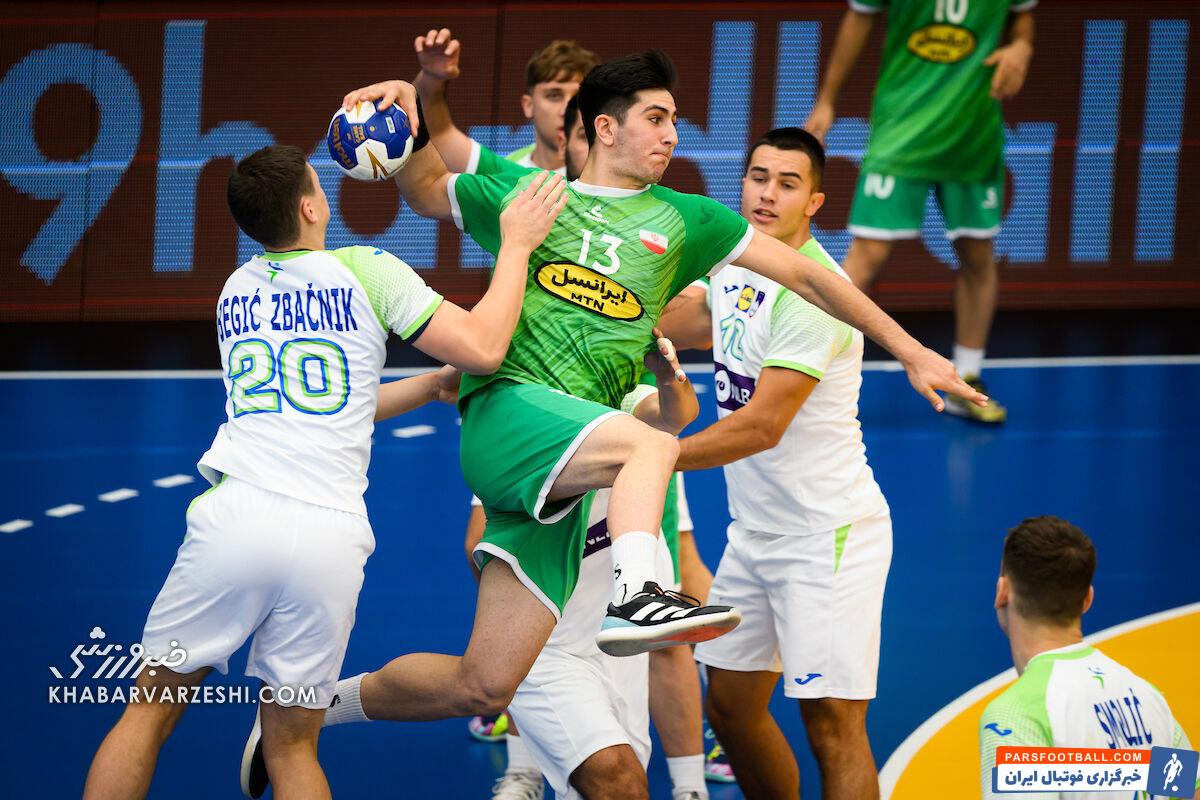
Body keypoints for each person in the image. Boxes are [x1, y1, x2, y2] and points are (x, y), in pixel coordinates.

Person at [309, 48, 982, 743]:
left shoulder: (690, 221)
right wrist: (409, 107)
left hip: (569, 463)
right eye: (656, 119)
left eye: (674, 120)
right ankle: (638, 597)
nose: (672, 136)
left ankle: (313, 706)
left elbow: (811, 278)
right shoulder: (533, 195)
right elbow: (426, 186)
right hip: (507, 414)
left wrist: (911, 350)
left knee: (483, 683)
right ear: (605, 128)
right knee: (649, 444)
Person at [80, 144, 567, 800]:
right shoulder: (368, 270)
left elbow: (328, 402)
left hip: (237, 519)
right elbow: (484, 347)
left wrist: (428, 387)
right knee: (292, 745)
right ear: (311, 207)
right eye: (318, 182)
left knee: (147, 715)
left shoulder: (235, 291)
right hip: (329, 538)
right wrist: (516, 245)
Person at [660, 127, 892, 799]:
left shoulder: (817, 295)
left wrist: (652, 459)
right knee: (730, 706)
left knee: (833, 727)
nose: (767, 194)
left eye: (787, 184)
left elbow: (762, 426)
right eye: (758, 177)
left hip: (827, 537)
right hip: (755, 534)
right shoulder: (738, 261)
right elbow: (698, 321)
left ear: (814, 202)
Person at [806, 0, 1038, 424]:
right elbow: (859, 18)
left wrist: (1022, 44)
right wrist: (826, 101)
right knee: (866, 257)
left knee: (978, 255)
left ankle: (966, 381)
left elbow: (1021, 14)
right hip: (903, 126)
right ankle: (804, 376)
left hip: (973, 132)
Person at [980, 516, 1199, 800]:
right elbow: (1190, 791)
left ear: (1003, 591)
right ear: (1087, 598)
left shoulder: (1014, 715)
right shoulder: (1147, 697)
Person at [413, 29, 598, 174]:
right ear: (528, 105)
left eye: (579, 98)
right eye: (554, 95)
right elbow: (439, 132)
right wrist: (432, 77)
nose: (567, 109)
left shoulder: (610, 176)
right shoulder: (505, 173)